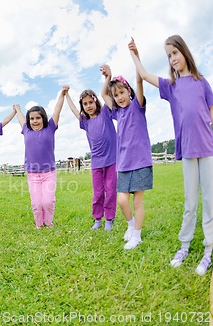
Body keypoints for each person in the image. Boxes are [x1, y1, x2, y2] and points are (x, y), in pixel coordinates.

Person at [129, 36, 213, 275]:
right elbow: (144, 75)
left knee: (209, 202)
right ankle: (184, 246)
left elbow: (211, 110)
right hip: (187, 150)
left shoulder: (202, 82)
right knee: (190, 203)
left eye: (175, 53)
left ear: (184, 53)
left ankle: (208, 251)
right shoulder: (171, 86)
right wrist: (134, 53)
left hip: (208, 149)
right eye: (169, 56)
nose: (173, 59)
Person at [101, 63, 153, 250]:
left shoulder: (138, 106)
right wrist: (109, 77)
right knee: (122, 201)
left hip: (140, 163)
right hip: (123, 164)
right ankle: (131, 226)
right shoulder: (117, 113)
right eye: (116, 95)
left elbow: (140, 80)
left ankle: (137, 236)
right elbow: (104, 95)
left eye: (122, 92)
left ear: (128, 91)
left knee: (137, 201)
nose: (119, 97)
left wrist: (136, 56)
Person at [14, 86, 67, 229]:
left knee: (48, 202)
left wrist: (61, 94)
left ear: (43, 118)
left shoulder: (50, 128)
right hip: (32, 174)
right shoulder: (26, 130)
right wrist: (17, 109)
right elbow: (20, 117)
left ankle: (48, 223)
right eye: (32, 118)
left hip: (49, 173)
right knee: (36, 203)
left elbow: (57, 109)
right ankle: (39, 225)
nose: (35, 121)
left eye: (38, 118)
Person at [66, 87, 117, 231]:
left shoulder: (105, 113)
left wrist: (107, 77)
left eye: (90, 102)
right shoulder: (85, 121)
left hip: (111, 160)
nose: (88, 106)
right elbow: (73, 110)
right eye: (85, 104)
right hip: (96, 163)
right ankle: (98, 219)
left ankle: (109, 219)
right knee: (98, 193)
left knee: (111, 191)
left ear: (96, 102)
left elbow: (106, 94)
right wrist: (66, 94)